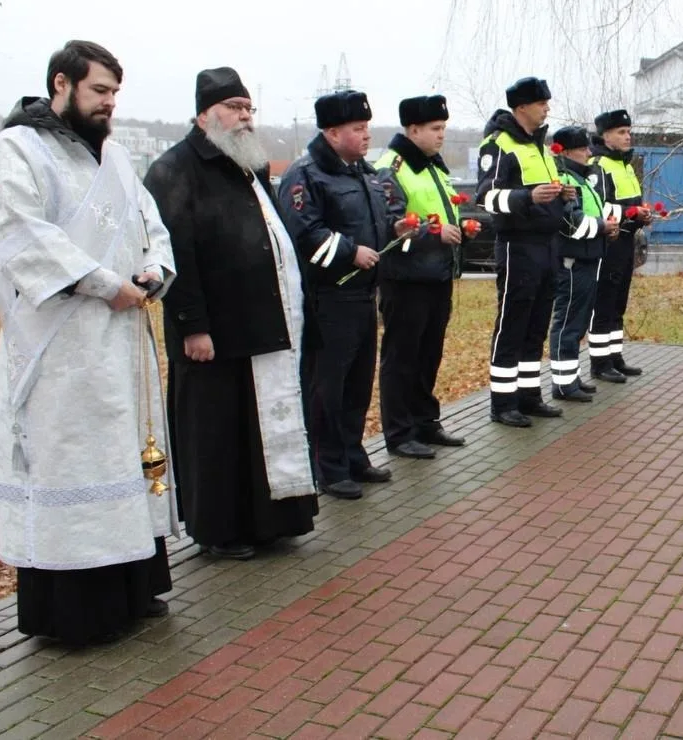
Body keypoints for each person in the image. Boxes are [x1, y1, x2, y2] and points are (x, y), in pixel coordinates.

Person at [0, 40, 177, 646]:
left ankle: (133, 591)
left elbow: (151, 224)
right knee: (72, 464)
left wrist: (154, 269)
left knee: (122, 457)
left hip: (121, 343)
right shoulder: (16, 150)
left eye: (115, 93)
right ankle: (77, 615)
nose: (109, 103)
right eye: (99, 90)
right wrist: (106, 284)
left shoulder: (115, 156)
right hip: (58, 349)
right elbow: (17, 236)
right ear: (61, 84)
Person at [144, 67, 317, 561]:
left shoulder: (249, 164)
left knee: (260, 432)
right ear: (204, 114)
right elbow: (175, 255)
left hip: (262, 326)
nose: (245, 117)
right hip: (213, 334)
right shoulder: (174, 170)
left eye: (248, 107)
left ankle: (274, 521)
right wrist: (192, 326)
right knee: (217, 435)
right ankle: (221, 531)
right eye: (233, 107)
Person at [278, 91, 393, 499]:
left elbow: (376, 221)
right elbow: (305, 234)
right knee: (328, 388)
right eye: (357, 129)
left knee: (358, 384)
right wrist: (349, 252)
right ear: (331, 133)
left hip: (363, 295)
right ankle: (327, 467)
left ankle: (352, 455)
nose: (367, 136)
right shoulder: (305, 176)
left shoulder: (363, 172)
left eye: (367, 128)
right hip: (328, 298)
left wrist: (396, 231)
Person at [374, 95, 467, 458]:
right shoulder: (392, 168)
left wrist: (461, 228)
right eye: (435, 128)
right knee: (402, 357)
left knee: (429, 354)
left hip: (436, 275)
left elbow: (441, 211)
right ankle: (400, 433)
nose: (442, 135)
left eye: (443, 128)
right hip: (405, 279)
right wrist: (434, 235)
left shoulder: (433, 166)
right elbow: (389, 226)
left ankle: (425, 421)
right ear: (413, 130)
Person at [476, 77, 566, 427]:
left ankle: (529, 396)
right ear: (522, 107)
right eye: (542, 103)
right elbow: (486, 197)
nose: (547, 108)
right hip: (518, 245)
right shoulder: (499, 144)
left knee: (536, 324)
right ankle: (502, 404)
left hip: (548, 244)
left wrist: (561, 195)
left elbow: (543, 190)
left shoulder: (541, 146)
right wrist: (527, 197)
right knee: (513, 323)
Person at [548, 125, 618, 402]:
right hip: (572, 260)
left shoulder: (581, 178)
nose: (589, 153)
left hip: (587, 257)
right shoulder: (565, 180)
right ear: (565, 152)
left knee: (577, 323)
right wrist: (602, 227)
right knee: (568, 321)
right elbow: (570, 222)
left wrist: (606, 228)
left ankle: (571, 377)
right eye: (582, 148)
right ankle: (563, 384)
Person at [588, 109, 649, 382]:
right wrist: (631, 213)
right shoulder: (598, 165)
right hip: (607, 242)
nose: (628, 137)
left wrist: (642, 214)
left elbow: (632, 202)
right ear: (605, 136)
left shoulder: (625, 165)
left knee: (618, 302)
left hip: (626, 241)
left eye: (629, 132)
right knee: (604, 302)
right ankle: (600, 363)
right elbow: (597, 207)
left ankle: (615, 357)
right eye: (621, 132)